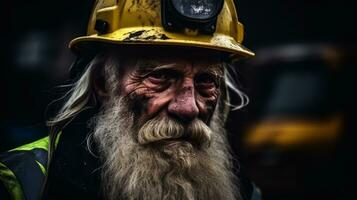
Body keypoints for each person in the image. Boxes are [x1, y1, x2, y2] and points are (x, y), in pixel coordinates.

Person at [0, 0, 261, 199]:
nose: (188, 108)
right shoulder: (21, 180)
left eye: (206, 81)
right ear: (102, 83)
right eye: (160, 77)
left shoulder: (244, 193)